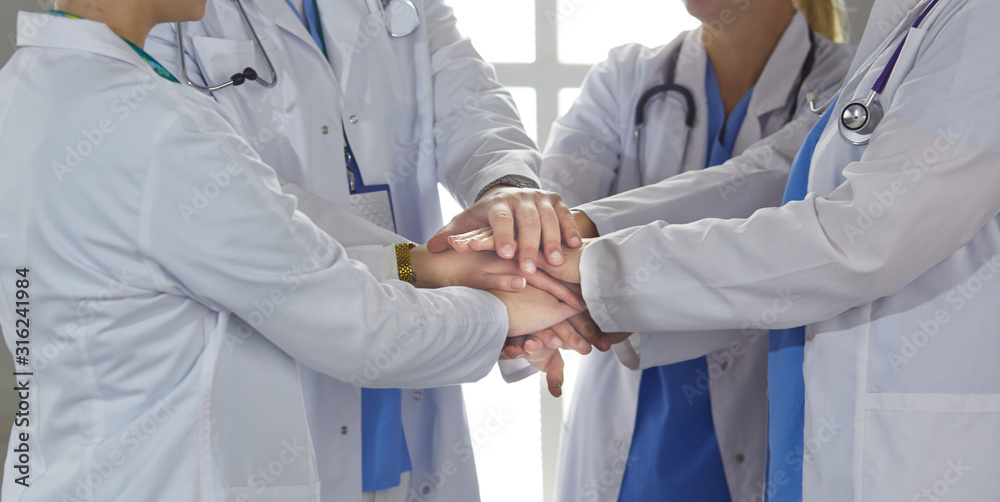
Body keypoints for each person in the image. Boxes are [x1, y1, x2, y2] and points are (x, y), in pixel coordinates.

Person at [0, 1, 581, 500]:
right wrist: (506, 305)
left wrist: (469, 236)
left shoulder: (29, 86)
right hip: (234, 426)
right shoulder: (153, 123)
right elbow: (350, 316)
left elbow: (466, 97)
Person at [523, 0, 1000, 499]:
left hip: (805, 423)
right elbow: (762, 175)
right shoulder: (627, 74)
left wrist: (582, 269)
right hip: (636, 410)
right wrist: (549, 249)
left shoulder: (879, 58)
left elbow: (851, 236)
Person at [450, 0, 853, 499]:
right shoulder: (626, 76)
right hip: (630, 433)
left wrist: (576, 244)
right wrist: (525, 277)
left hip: (767, 417)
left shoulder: (849, 81)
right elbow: (556, 205)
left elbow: (767, 184)